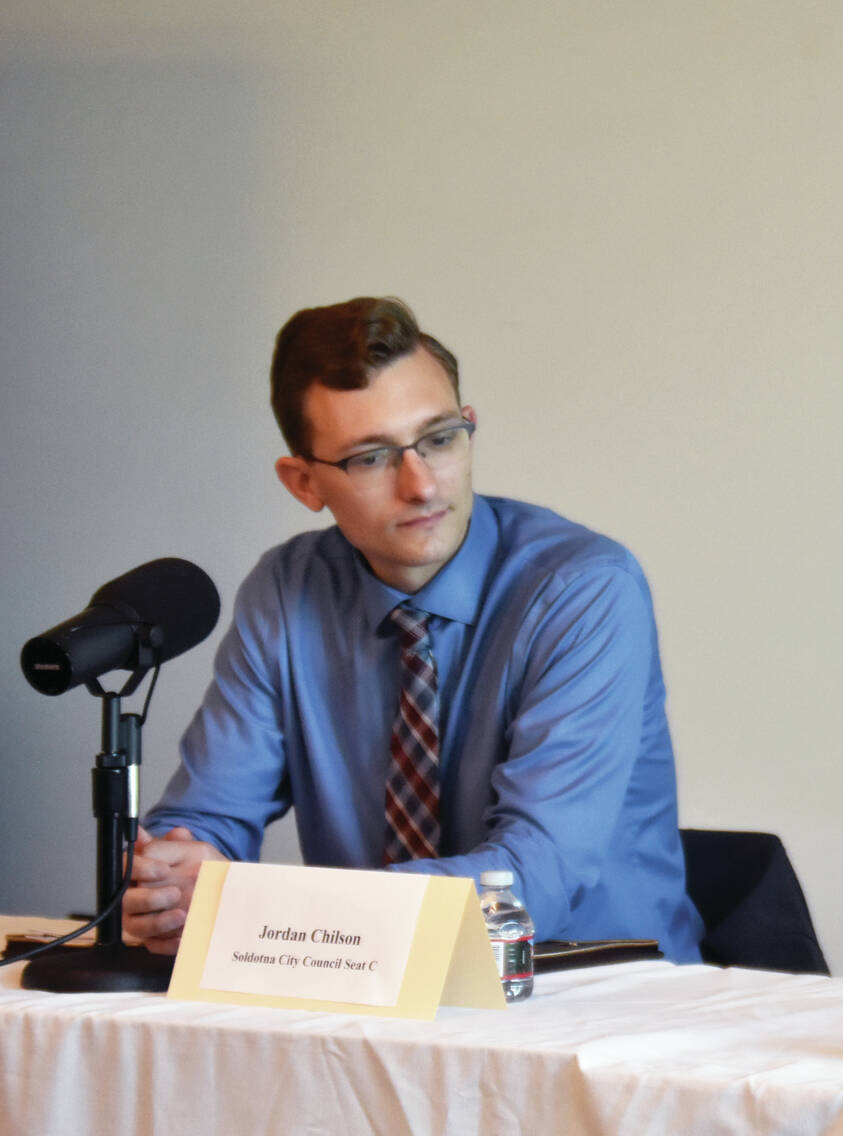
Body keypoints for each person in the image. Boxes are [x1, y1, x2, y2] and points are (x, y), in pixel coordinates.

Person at [121, 297, 703, 963]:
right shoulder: (287, 593)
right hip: (369, 993)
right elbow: (209, 818)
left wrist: (274, 908)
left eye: (439, 438)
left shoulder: (584, 589)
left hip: (591, 999)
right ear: (304, 482)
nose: (422, 484)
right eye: (371, 457)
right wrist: (173, 876)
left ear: (470, 427)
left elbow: (533, 882)